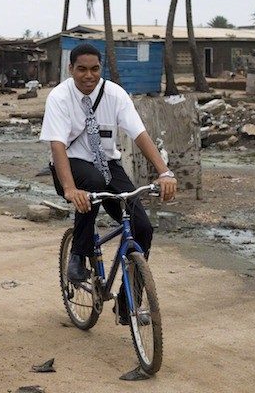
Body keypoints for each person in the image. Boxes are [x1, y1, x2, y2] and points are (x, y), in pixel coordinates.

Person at [39, 43, 177, 323]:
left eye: (94, 69)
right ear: (71, 69)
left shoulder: (115, 94)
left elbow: (139, 134)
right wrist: (69, 188)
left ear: (100, 68)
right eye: (81, 69)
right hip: (71, 163)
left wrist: (164, 172)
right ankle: (78, 255)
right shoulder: (59, 97)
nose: (88, 75)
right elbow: (57, 145)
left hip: (108, 164)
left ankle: (128, 303)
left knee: (142, 227)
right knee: (89, 185)